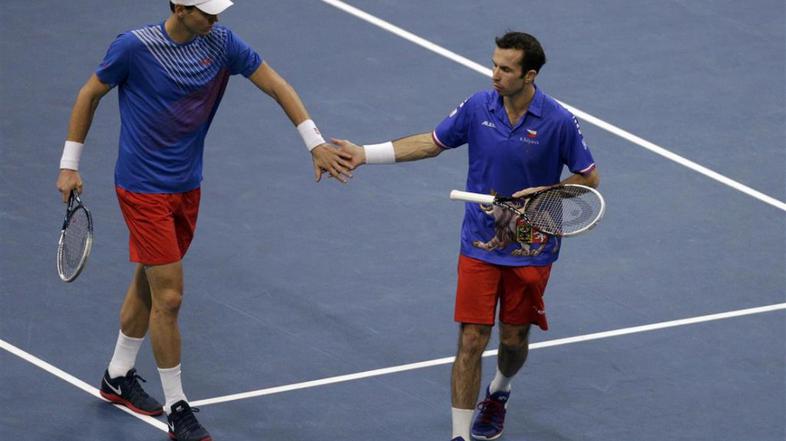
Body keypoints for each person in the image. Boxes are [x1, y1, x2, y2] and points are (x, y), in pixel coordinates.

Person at [55, 1, 352, 440]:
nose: (216, 18)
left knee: (152, 278)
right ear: (179, 6)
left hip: (187, 185)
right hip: (142, 189)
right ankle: (178, 407)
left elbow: (275, 84)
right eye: (208, 11)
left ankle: (117, 375)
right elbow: (89, 94)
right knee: (170, 297)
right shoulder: (134, 48)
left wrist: (315, 142)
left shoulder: (222, 43)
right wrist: (68, 164)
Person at [333, 32, 599, 441]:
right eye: (494, 64)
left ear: (529, 75)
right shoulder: (478, 107)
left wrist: (542, 195)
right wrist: (365, 153)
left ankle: (499, 391)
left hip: (531, 248)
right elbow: (431, 143)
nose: (494, 74)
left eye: (505, 68)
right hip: (479, 243)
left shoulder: (559, 121)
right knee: (472, 338)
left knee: (513, 339)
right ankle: (459, 435)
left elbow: (588, 176)